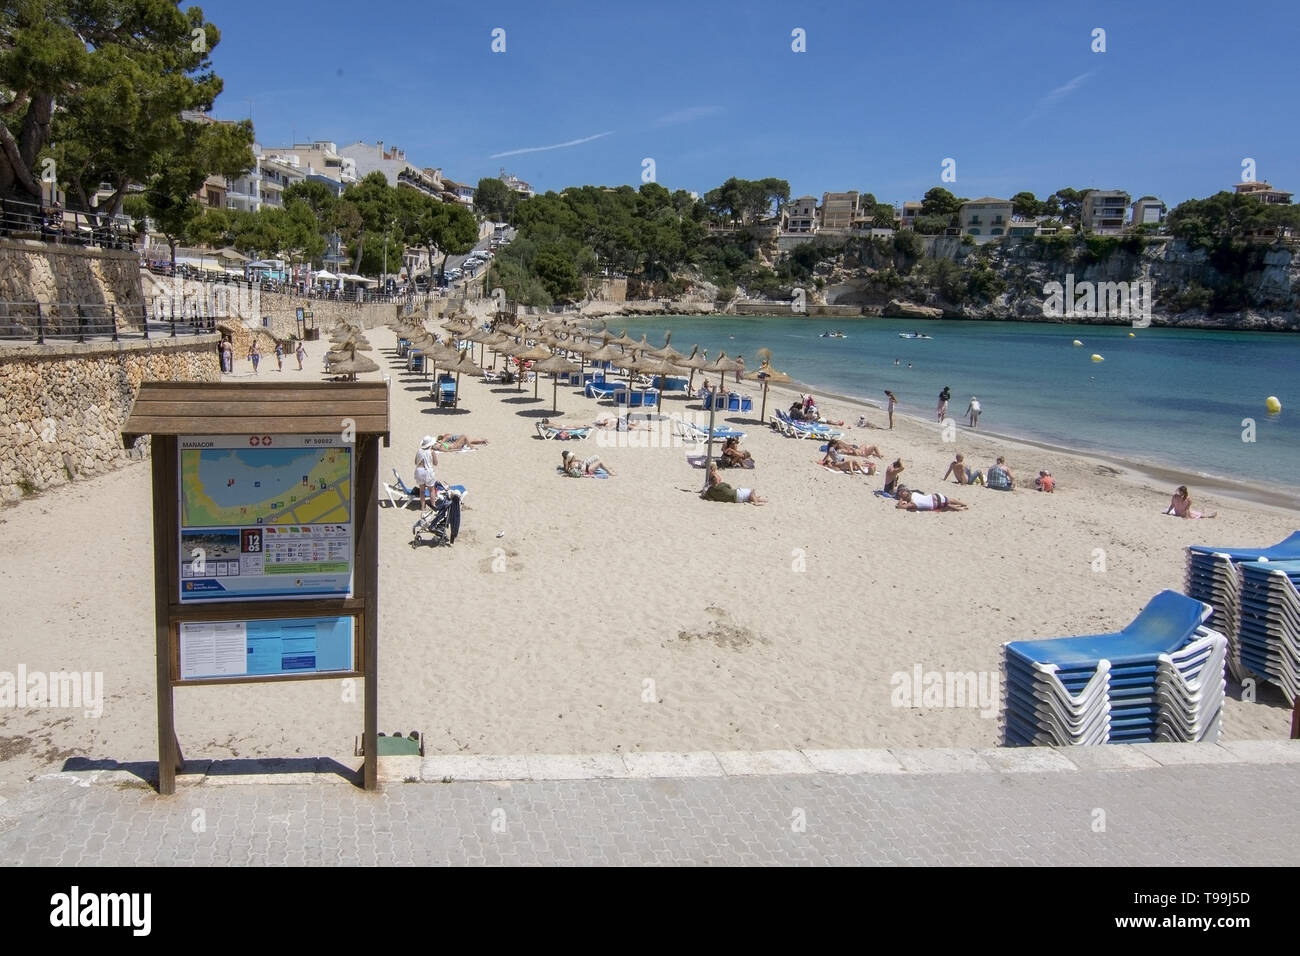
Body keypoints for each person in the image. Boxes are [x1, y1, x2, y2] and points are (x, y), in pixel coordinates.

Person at [414, 435, 440, 509]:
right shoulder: (431, 452)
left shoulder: (419, 451)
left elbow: (416, 462)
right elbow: (435, 463)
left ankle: (422, 506)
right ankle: (433, 505)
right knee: (431, 490)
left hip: (419, 470)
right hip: (427, 471)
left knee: (422, 490)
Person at [896, 489, 968, 512]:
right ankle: (963, 504)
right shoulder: (914, 493)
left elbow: (900, 507)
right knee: (948, 500)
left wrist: (901, 500)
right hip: (935, 496)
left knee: (947, 505)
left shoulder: (912, 503)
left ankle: (961, 509)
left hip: (935, 504)